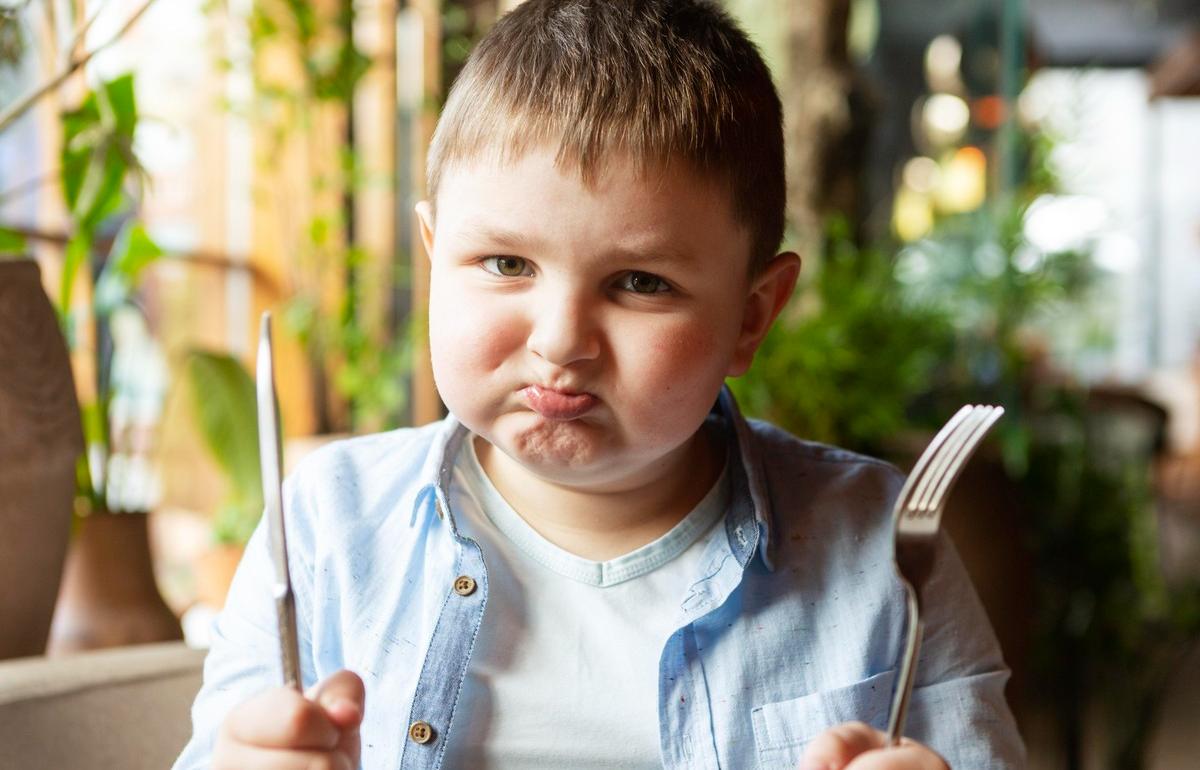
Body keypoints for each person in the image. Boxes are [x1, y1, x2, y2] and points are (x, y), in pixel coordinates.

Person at [174, 1, 1025, 768]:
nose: (560, 341)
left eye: (640, 283)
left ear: (751, 317)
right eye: (505, 263)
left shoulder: (885, 554)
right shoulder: (323, 530)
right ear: (436, 260)